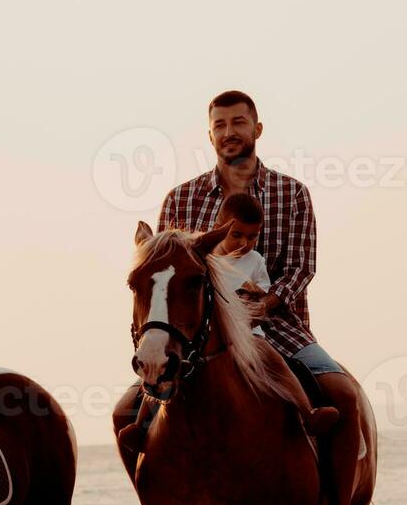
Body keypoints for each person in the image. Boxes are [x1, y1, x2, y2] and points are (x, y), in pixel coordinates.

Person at [124, 89, 363, 505]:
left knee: (344, 393)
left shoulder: (290, 193)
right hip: (202, 342)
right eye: (220, 125)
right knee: (125, 412)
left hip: (280, 328)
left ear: (257, 129)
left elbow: (301, 266)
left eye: (239, 122)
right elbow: (166, 276)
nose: (230, 132)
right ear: (210, 134)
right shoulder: (182, 198)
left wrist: (267, 302)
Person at [117, 193, 337, 455]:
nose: (244, 243)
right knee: (157, 375)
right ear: (220, 229)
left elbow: (271, 286)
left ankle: (307, 411)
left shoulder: (255, 259)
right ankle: (141, 426)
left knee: (272, 360)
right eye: (236, 235)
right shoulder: (203, 257)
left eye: (252, 237)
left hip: (249, 331)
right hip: (204, 330)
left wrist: (259, 296)